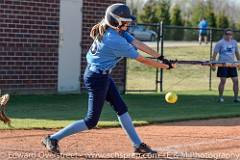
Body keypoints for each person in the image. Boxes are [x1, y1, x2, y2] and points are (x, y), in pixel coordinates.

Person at [41, 3, 176, 155]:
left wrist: (161, 57)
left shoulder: (115, 30)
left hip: (101, 76)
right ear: (116, 22)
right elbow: (142, 59)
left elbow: (137, 43)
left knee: (121, 109)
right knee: (91, 121)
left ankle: (138, 145)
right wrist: (166, 67)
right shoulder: (114, 39)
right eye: (125, 21)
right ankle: (52, 139)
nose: (128, 24)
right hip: (96, 78)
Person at [211, 28, 240, 103]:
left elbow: (237, 53)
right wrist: (213, 64)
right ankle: (221, 97)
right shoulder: (220, 43)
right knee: (223, 81)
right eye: (227, 34)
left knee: (236, 81)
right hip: (222, 65)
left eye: (230, 34)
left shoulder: (234, 42)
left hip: (232, 65)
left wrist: (239, 62)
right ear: (224, 34)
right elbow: (214, 55)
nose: (229, 36)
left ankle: (236, 98)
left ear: (232, 35)